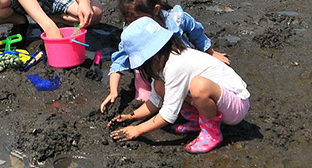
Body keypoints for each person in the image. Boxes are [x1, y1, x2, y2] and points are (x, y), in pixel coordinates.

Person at [107, 17, 250, 153]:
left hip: (236, 107)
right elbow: (155, 101)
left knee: (199, 86)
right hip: (220, 101)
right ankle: (198, 121)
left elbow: (169, 113)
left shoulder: (176, 65)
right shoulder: (164, 63)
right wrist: (131, 117)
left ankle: (211, 133)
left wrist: (138, 129)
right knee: (159, 86)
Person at [101, 0, 229, 115]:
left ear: (156, 10)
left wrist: (211, 52)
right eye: (130, 22)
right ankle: (147, 91)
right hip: (152, 71)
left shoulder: (174, 20)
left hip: (179, 62)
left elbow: (195, 31)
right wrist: (113, 91)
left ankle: (186, 103)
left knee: (192, 88)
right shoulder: (132, 31)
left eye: (138, 20)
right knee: (145, 98)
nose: (135, 25)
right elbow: (120, 59)